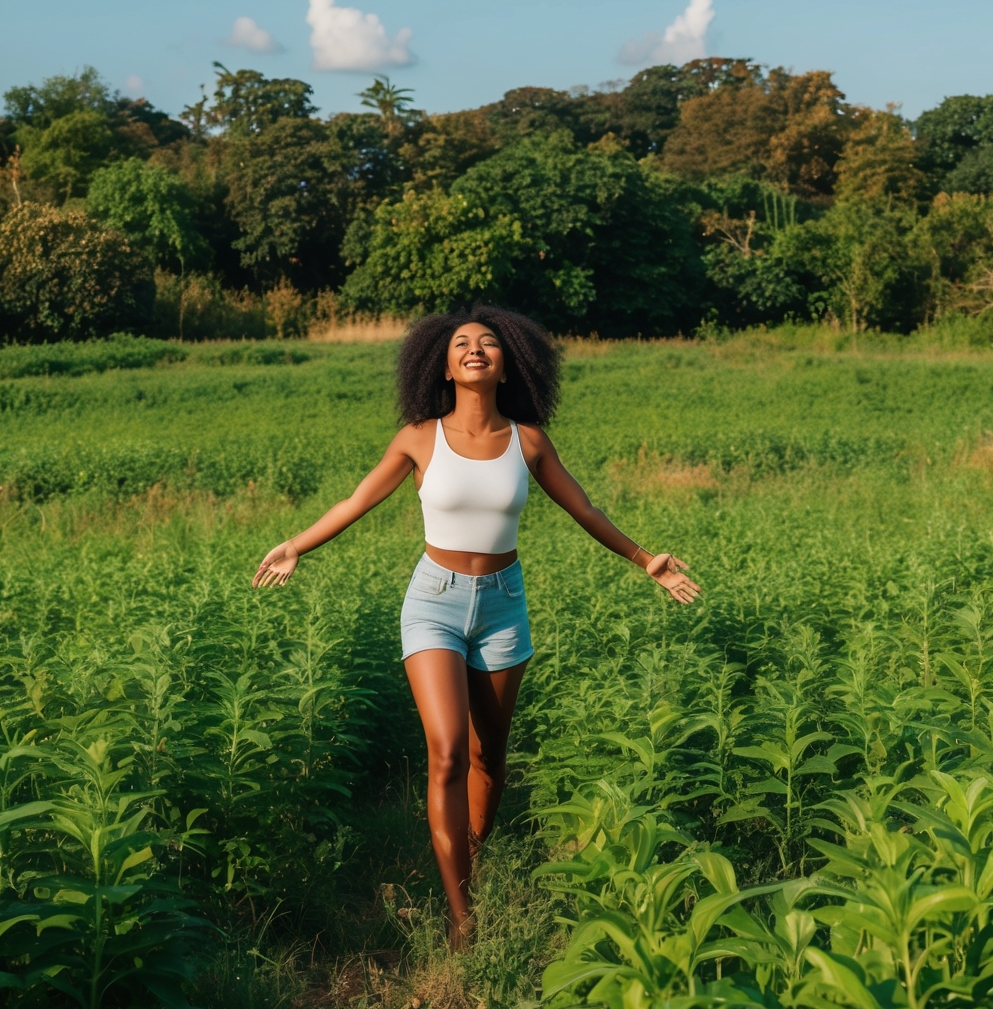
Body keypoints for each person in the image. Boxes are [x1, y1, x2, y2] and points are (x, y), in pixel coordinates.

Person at [253, 305, 699, 949]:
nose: (474, 349)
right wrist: (298, 544)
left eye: (488, 343)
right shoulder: (418, 438)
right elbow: (355, 500)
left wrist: (645, 559)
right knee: (448, 753)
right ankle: (463, 917)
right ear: (442, 363)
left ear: (507, 362)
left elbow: (585, 507)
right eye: (462, 343)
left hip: (502, 605)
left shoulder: (530, 441)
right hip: (432, 599)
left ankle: (468, 858)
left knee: (491, 755)